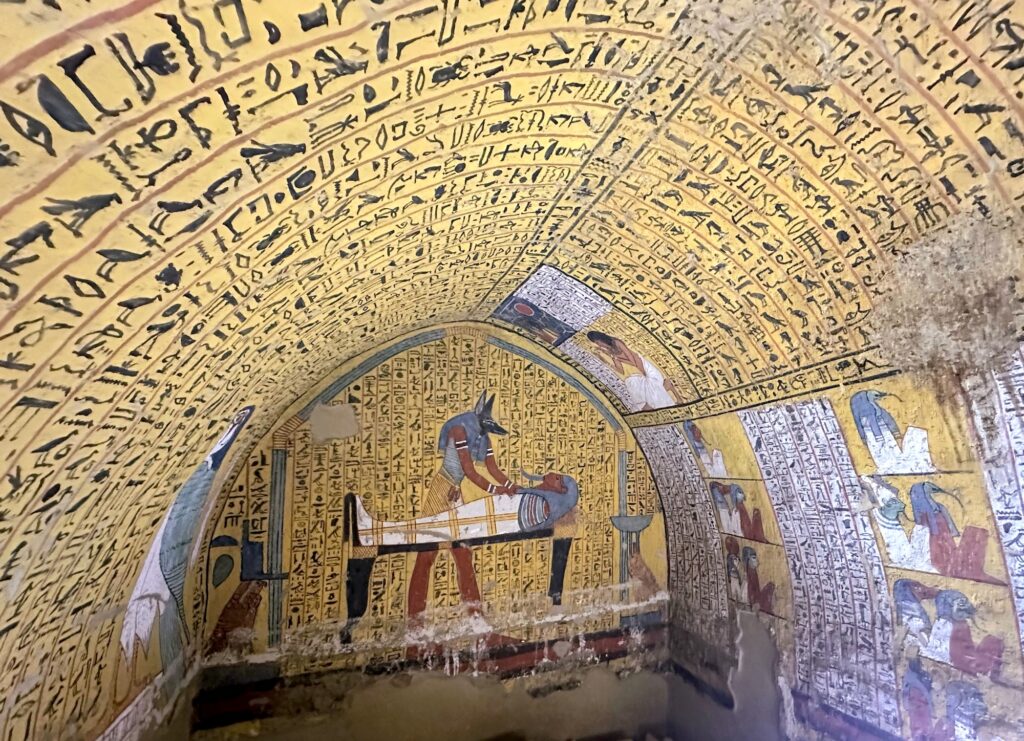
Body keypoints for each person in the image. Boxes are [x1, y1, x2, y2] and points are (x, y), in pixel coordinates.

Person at [586, 331, 680, 410]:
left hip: (643, 366)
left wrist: (616, 357)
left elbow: (632, 360)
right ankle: (660, 399)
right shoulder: (610, 350)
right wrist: (604, 360)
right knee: (630, 383)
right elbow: (620, 371)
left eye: (598, 342)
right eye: (597, 344)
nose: (599, 345)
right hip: (640, 370)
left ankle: (673, 396)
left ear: (601, 338)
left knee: (651, 389)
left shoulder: (616, 342)